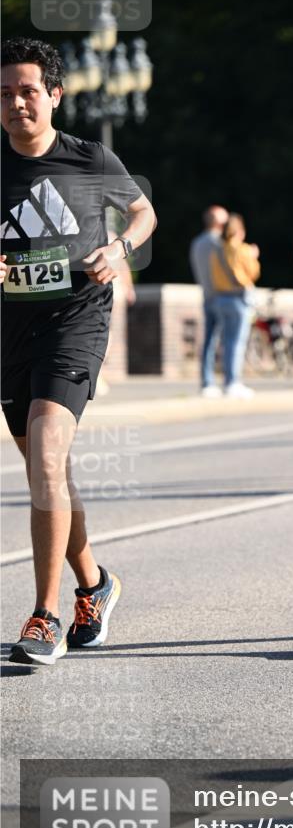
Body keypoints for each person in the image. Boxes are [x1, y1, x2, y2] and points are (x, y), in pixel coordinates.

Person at [1, 37, 156, 665]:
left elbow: (144, 214)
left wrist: (118, 251)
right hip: (10, 333)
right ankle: (96, 583)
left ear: (55, 95)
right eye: (5, 94)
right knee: (51, 473)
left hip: (76, 321)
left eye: (28, 91)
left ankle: (45, 616)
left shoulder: (91, 161)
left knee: (44, 452)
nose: (16, 104)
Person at [210, 211, 261, 398]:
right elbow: (253, 273)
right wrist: (254, 256)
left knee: (226, 342)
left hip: (221, 298)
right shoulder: (242, 249)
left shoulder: (217, 250)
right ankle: (233, 382)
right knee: (237, 342)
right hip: (239, 299)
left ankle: (227, 381)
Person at [189, 204, 229, 397]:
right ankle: (229, 381)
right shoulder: (219, 244)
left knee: (209, 341)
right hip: (223, 296)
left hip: (207, 295)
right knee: (229, 341)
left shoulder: (197, 243)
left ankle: (207, 381)